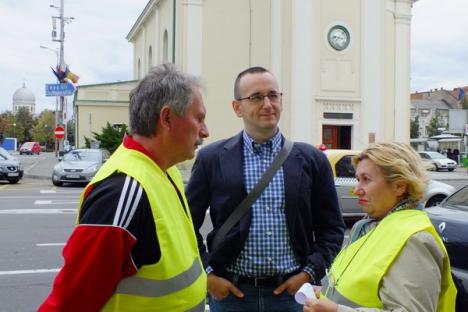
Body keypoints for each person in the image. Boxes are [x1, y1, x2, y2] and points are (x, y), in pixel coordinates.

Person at [39, 63, 209, 312]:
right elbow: (69, 303)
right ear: (167, 118)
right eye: (199, 118)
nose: (205, 131)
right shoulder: (123, 192)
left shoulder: (165, 169)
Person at [186, 66, 345, 312]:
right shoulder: (212, 158)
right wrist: (207, 274)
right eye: (256, 97)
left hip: (292, 297)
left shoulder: (312, 160)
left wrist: (310, 272)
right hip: (231, 297)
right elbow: (185, 225)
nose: (268, 104)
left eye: (273, 95)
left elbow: (332, 228)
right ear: (237, 107)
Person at [303, 142, 457, 312]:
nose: (357, 190)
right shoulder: (368, 226)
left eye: (366, 180)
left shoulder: (414, 240)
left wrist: (336, 310)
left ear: (399, 186)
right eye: (357, 179)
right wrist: (326, 294)